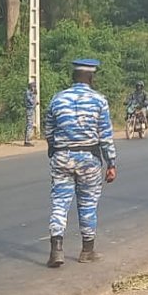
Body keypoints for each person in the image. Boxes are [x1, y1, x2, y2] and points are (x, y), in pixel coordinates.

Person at [45, 58, 118, 267]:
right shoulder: (99, 101)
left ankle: (56, 250)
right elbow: (105, 136)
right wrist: (111, 163)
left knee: (59, 203)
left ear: (73, 76)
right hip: (89, 159)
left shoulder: (57, 99)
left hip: (62, 157)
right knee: (87, 204)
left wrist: (54, 150)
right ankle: (87, 250)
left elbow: (49, 131)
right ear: (91, 77)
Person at [24, 81, 37, 146]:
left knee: (30, 124)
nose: (34, 87)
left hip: (31, 109)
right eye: (33, 86)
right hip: (29, 109)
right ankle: (27, 140)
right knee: (29, 124)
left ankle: (28, 139)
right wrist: (34, 95)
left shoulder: (31, 92)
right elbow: (31, 101)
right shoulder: (28, 92)